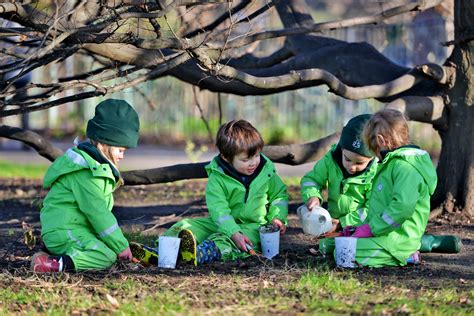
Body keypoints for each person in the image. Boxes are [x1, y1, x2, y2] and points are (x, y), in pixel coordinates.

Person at [31, 99, 140, 272]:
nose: (122, 156)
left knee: (108, 251)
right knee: (107, 257)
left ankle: (57, 257)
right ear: (106, 145)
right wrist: (121, 246)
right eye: (121, 151)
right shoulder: (87, 173)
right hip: (64, 230)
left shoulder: (96, 168)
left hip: (73, 229)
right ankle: (53, 264)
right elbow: (98, 214)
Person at [159, 119, 289, 265]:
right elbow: (219, 210)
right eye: (246, 159)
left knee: (225, 240)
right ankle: (163, 250)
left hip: (253, 227)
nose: (253, 162)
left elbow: (279, 195)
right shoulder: (218, 177)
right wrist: (233, 231)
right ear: (226, 157)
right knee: (185, 226)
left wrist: (277, 217)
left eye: (257, 156)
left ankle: (204, 252)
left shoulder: (266, 172)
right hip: (222, 224)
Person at [321, 109, 438, 267]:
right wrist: (358, 228)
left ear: (381, 141)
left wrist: (370, 229)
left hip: (397, 240)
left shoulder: (406, 168)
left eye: (372, 146)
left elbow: (402, 208)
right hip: (382, 232)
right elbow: (381, 205)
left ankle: (407, 255)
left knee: (343, 254)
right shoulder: (391, 163)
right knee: (330, 244)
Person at [300, 114, 377, 233]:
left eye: (359, 163)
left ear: (371, 158)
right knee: (326, 247)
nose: (352, 167)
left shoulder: (375, 174)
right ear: (341, 149)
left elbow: (371, 208)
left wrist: (343, 223)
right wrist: (312, 195)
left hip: (360, 226)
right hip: (331, 220)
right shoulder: (330, 160)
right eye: (347, 159)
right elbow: (312, 179)